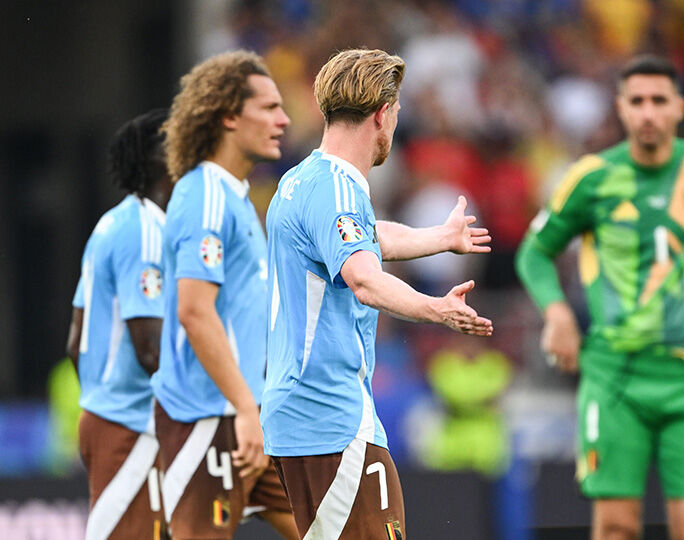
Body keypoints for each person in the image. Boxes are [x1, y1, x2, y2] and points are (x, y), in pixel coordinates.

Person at [515, 55, 684, 540]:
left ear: (679, 108)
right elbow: (533, 253)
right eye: (637, 102)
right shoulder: (591, 177)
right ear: (621, 109)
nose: (648, 112)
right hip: (615, 376)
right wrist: (558, 313)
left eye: (659, 101)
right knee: (616, 527)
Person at [261, 48, 494, 539]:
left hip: (301, 414)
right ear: (382, 113)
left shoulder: (302, 180)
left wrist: (440, 238)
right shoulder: (339, 190)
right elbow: (363, 278)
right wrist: (438, 310)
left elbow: (367, 237)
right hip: (330, 415)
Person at [150, 50, 297, 540]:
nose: (284, 120)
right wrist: (244, 408)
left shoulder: (235, 198)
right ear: (229, 115)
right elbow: (194, 312)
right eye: (269, 107)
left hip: (247, 419)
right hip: (207, 419)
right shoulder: (204, 194)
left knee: (327, 529)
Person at [66, 109, 172, 539]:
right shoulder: (144, 231)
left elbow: (75, 341)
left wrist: (100, 397)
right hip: (130, 423)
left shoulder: (112, 222)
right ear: (158, 158)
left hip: (109, 415)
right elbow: (150, 349)